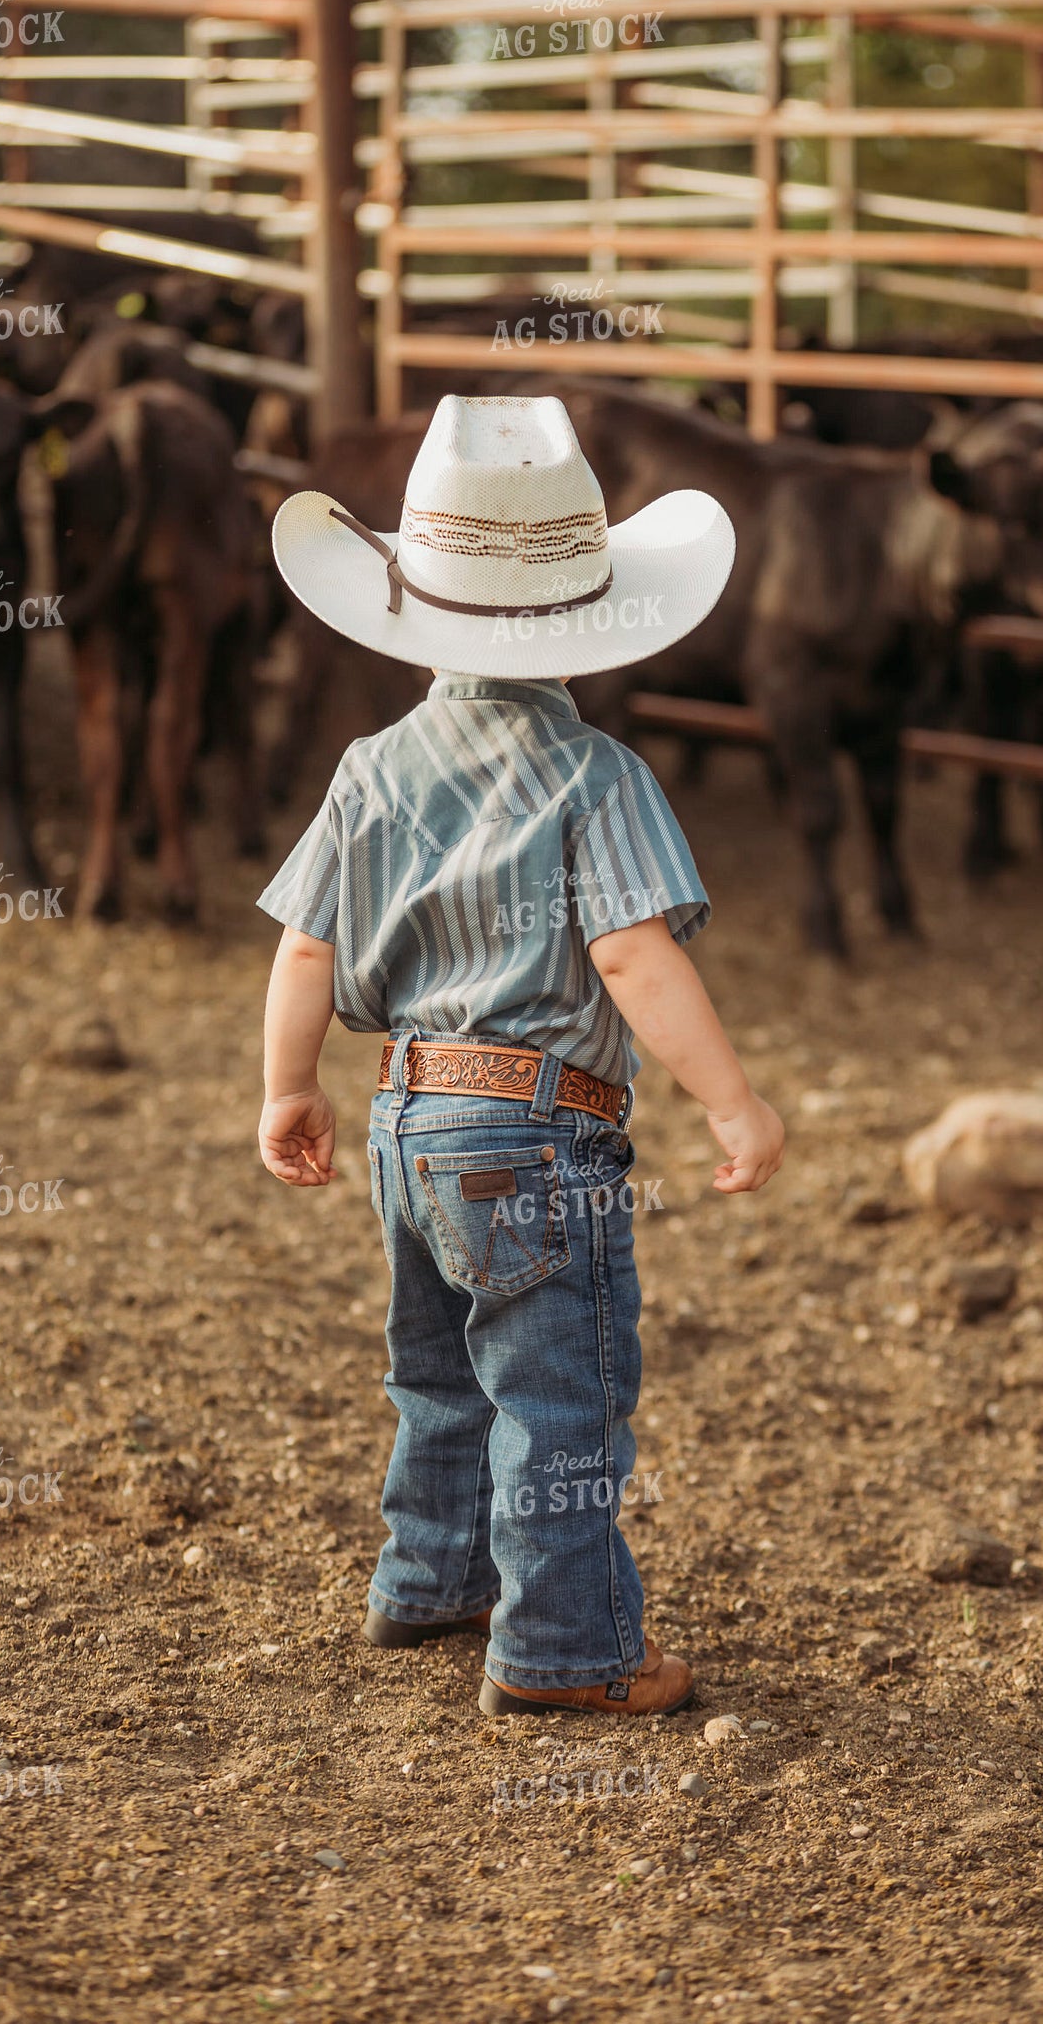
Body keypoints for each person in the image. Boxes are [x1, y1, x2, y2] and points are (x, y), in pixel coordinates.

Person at [256, 393, 784, 1716]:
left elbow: (308, 949)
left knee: (436, 1370)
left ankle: (429, 1576)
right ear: (590, 616)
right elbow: (632, 958)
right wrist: (733, 1102)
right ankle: (564, 1647)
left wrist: (288, 1086)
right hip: (537, 1132)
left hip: (405, 1117)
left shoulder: (370, 767)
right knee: (559, 1393)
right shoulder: (598, 777)